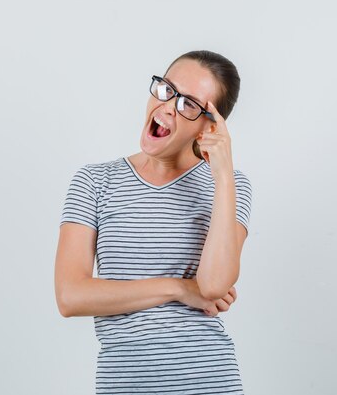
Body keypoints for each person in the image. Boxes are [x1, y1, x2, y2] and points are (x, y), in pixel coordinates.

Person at [55, 50, 253, 394]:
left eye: (188, 103)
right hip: (124, 385)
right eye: (166, 89)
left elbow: (213, 286)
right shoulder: (94, 182)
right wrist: (178, 288)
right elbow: (71, 296)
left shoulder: (229, 187)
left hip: (209, 380)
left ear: (211, 126)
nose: (166, 106)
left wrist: (222, 173)